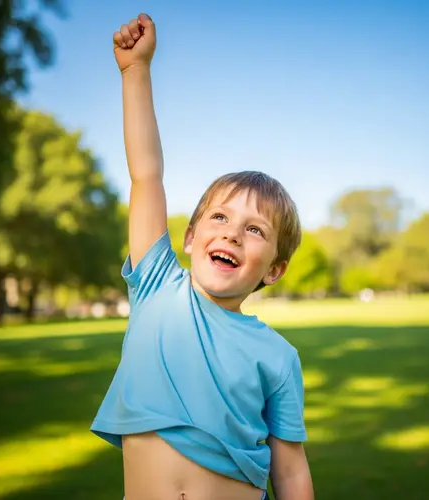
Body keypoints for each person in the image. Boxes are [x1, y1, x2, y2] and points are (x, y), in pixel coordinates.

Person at [90, 13, 315, 500]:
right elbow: (146, 175)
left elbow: (291, 469)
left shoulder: (277, 357)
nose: (232, 234)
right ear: (189, 238)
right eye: (219, 219)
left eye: (254, 230)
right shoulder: (156, 288)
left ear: (274, 270)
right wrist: (135, 72)